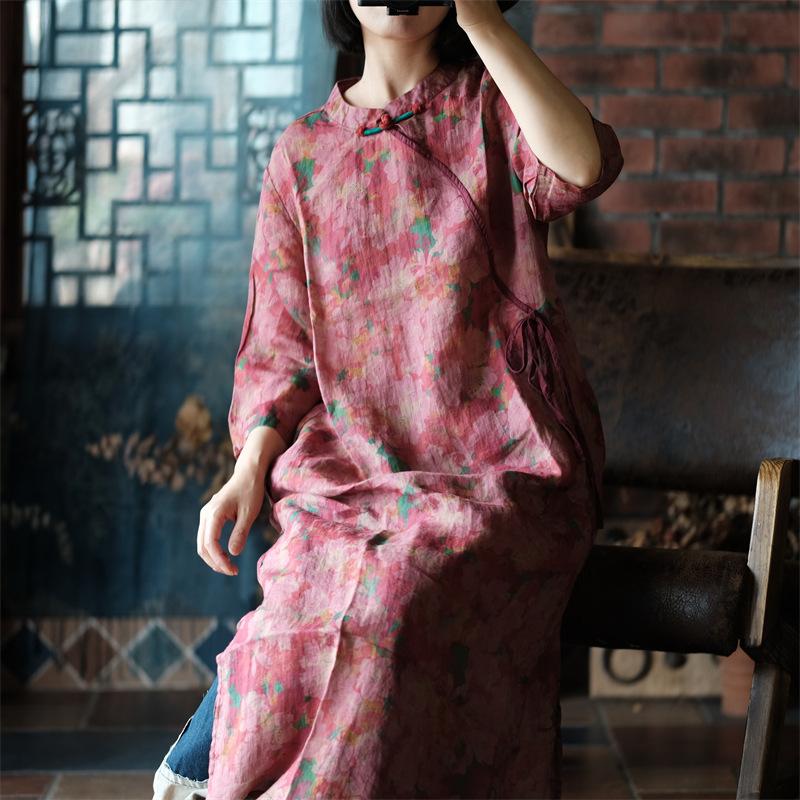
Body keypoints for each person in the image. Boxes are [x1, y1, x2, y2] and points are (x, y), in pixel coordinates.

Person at [154, 0, 624, 797]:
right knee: (306, 594)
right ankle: (222, 764)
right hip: (349, 476)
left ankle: (216, 772)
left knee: (390, 594)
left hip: (499, 471)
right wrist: (247, 469)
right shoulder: (303, 153)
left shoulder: (494, 109)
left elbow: (582, 167)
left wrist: (483, 19)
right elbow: (280, 353)